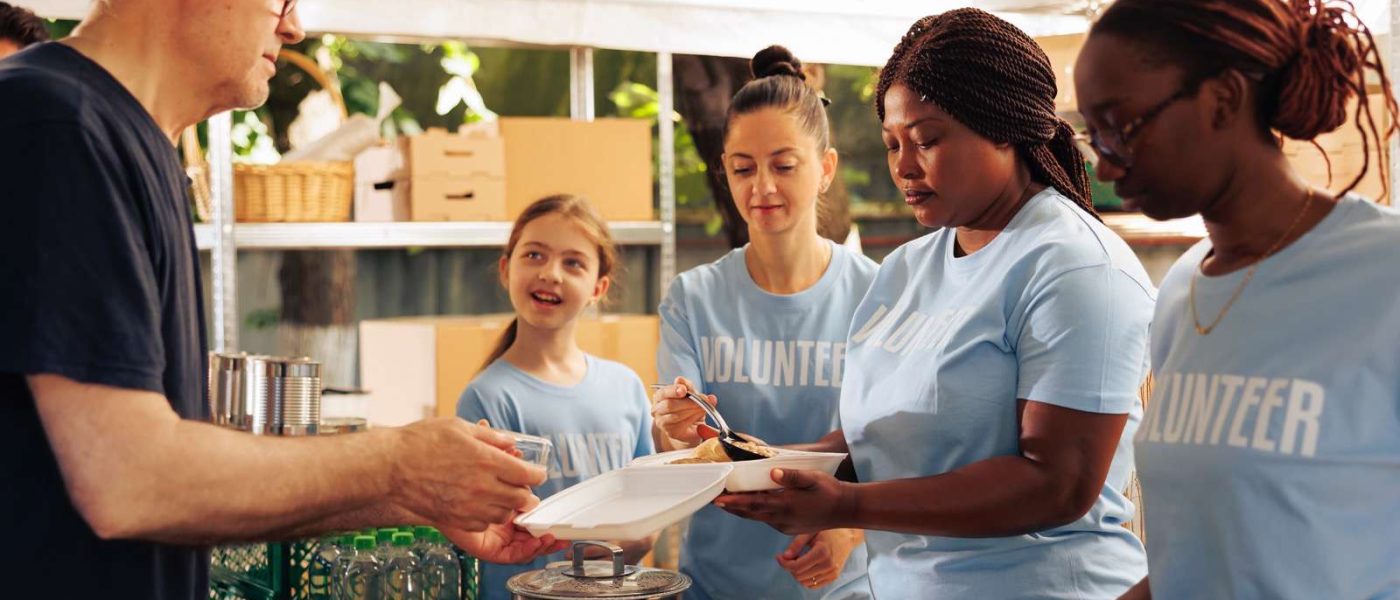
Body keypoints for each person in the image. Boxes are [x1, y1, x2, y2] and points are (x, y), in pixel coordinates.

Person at [0, 1, 560, 597]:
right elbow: (131, 482)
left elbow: (184, 493)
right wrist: (398, 463)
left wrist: (410, 494)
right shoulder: (57, 125)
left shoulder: (127, 137)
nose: (295, 27)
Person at [714, 10, 1156, 599]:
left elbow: (1056, 484)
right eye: (893, 143)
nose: (903, 166)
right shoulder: (904, 270)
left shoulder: (1077, 267)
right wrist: (742, 459)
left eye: (926, 140)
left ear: (1001, 127)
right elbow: (867, 446)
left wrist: (847, 505)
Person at [1073, 1, 1400, 598]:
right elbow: (1202, 557)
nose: (1105, 161)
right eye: (1092, 133)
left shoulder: (1384, 275)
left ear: (1223, 99)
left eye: (1121, 125)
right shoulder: (1180, 293)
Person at [651, 46, 875, 600]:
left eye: (784, 165)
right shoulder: (692, 297)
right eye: (743, 168)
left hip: (847, 585)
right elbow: (679, 447)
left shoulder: (876, 293)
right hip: (719, 585)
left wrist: (850, 529)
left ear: (825, 170)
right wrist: (674, 427)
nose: (762, 188)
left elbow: (905, 448)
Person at [459, 195, 657, 600]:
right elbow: (492, 527)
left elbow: (648, 519)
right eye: (534, 255)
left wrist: (636, 536)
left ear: (598, 287)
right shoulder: (486, 398)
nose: (551, 274)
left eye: (573, 263)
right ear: (505, 268)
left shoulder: (626, 387)